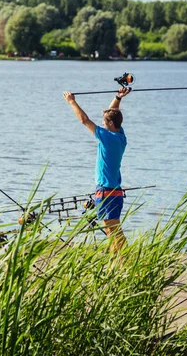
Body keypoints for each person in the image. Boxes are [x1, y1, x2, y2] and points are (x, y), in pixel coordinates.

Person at [63, 86, 131, 251]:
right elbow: (112, 113)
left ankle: (127, 260)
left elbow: (84, 120)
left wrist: (72, 102)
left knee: (114, 231)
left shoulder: (107, 138)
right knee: (110, 231)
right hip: (111, 191)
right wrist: (118, 97)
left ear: (109, 124)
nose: (101, 123)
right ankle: (117, 264)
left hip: (107, 192)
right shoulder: (120, 136)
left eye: (103, 121)